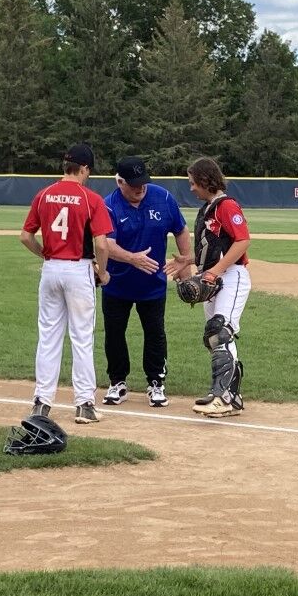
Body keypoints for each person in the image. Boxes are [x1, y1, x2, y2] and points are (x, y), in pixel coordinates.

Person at [19, 143, 113, 424]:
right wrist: (102, 271)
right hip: (78, 268)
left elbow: (25, 236)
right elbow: (102, 243)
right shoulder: (91, 198)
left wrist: (45, 254)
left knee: (48, 337)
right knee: (82, 337)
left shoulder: (44, 194)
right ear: (84, 169)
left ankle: (41, 403)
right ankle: (84, 405)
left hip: (51, 269)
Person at [100, 155, 192, 408]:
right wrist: (132, 259)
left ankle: (156, 383)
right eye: (133, 183)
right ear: (120, 182)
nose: (141, 188)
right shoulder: (109, 206)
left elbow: (181, 229)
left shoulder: (162, 197)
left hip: (153, 286)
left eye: (143, 182)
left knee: (155, 333)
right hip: (117, 284)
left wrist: (185, 265)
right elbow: (107, 244)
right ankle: (117, 382)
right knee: (115, 334)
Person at [166, 156, 252, 418]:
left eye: (193, 182)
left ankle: (223, 397)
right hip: (214, 278)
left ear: (206, 180)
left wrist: (214, 271)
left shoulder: (226, 206)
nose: (191, 188)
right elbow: (215, 248)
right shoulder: (208, 208)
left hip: (231, 276)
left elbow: (242, 242)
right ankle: (228, 395)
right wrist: (189, 261)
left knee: (220, 331)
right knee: (215, 337)